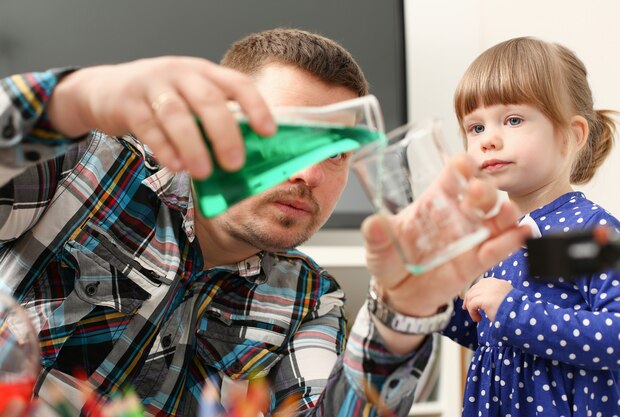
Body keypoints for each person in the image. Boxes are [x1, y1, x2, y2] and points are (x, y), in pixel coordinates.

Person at [0, 28, 527, 417]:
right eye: (282, 138)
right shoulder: (90, 167)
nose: (308, 174)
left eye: (337, 154)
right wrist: (74, 100)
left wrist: (402, 318)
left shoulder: (310, 298)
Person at [443, 36, 620, 416]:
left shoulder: (583, 233)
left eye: (513, 120)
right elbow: (489, 335)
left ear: (571, 135)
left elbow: (618, 338)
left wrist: (511, 308)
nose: (488, 140)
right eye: (474, 128)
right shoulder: (498, 237)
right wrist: (437, 303)